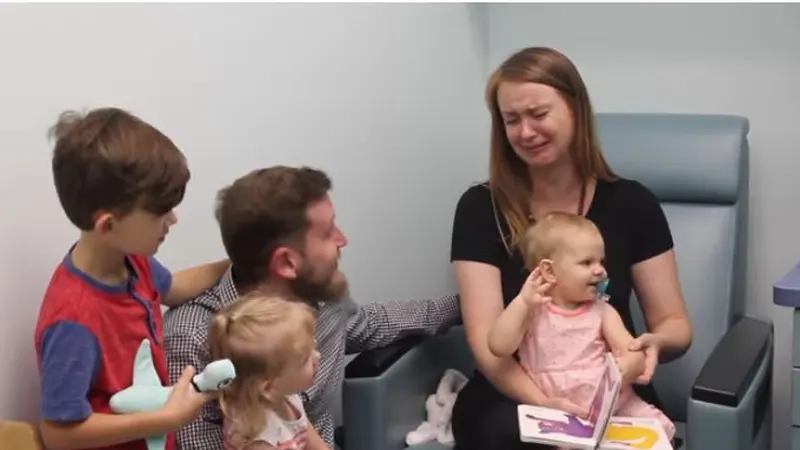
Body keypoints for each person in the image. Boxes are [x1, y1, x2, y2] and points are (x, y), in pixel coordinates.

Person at [449, 46, 693, 449]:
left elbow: (675, 325)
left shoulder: (633, 204)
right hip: (512, 393)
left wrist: (653, 346)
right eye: (512, 120)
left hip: (611, 390)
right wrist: (548, 404)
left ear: (576, 110)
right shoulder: (479, 208)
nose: (526, 132)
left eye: (539, 114)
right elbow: (488, 346)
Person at [164, 165, 461, 449]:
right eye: (328, 232)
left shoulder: (322, 299)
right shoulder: (192, 339)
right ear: (287, 262)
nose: (343, 240)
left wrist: (470, 306)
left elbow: (372, 324)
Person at [34, 107, 230, 450]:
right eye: (160, 212)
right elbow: (58, 434)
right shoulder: (75, 320)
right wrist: (165, 420)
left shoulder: (132, 262)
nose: (172, 219)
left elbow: (173, 288)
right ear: (108, 225)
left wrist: (236, 262)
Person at [488, 212, 676, 443]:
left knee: (657, 432)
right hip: (558, 412)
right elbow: (499, 346)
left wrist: (630, 364)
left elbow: (632, 350)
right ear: (548, 271)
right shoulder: (532, 311)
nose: (600, 270)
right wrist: (522, 303)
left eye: (601, 261)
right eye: (587, 262)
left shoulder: (602, 311)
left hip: (614, 408)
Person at [209, 290, 328, 450]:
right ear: (269, 387)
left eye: (313, 346)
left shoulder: (287, 398)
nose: (318, 356)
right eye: (304, 359)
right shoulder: (258, 438)